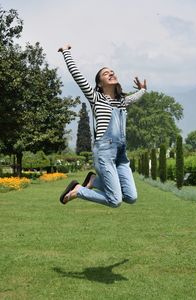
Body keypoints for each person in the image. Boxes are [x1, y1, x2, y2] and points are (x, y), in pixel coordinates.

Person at [58, 44, 147, 208]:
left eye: (112, 71)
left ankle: (93, 181)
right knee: (115, 201)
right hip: (104, 152)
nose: (111, 73)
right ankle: (79, 190)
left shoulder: (122, 101)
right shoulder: (96, 98)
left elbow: (135, 97)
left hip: (121, 153)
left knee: (131, 197)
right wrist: (66, 52)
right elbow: (77, 75)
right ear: (99, 83)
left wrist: (143, 90)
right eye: (106, 73)